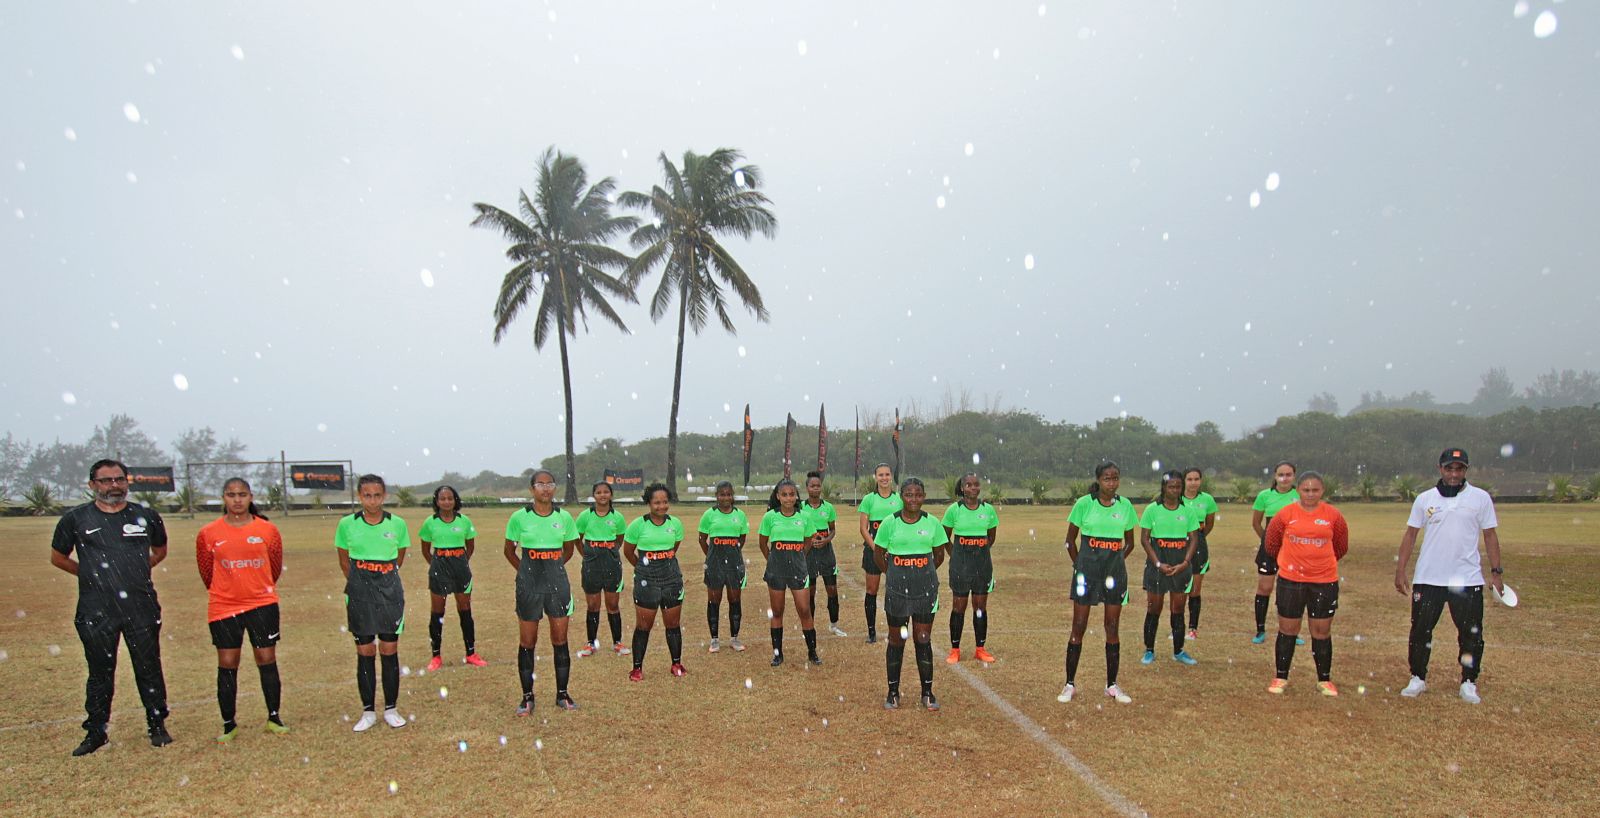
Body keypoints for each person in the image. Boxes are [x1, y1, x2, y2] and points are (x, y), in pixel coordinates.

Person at [50, 459, 173, 755]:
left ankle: (157, 725)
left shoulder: (145, 516)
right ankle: (96, 731)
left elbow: (160, 550)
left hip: (141, 607)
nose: (113, 486)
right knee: (100, 672)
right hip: (96, 610)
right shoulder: (76, 519)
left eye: (119, 479)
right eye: (105, 481)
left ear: (127, 482)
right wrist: (92, 574)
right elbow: (58, 557)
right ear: (92, 485)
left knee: (148, 667)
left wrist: (141, 569)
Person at [1395, 448, 1505, 704]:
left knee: (1471, 634)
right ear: (1440, 468)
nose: (1454, 474)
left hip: (1467, 579)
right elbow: (1411, 534)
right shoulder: (1424, 499)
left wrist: (1496, 573)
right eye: (1449, 468)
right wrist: (1401, 569)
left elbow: (1490, 535)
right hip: (1429, 577)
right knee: (1421, 630)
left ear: (1466, 470)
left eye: (1459, 469)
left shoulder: (1480, 498)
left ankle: (1468, 681)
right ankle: (1418, 677)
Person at [195, 477, 288, 742]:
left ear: (251, 497)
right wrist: (229, 590)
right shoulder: (209, 532)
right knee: (227, 663)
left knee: (266, 660)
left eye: (242, 494)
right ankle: (229, 723)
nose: (237, 500)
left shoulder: (267, 530)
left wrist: (257, 587)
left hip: (262, 604)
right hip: (224, 607)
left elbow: (274, 567)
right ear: (223, 498)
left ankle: (274, 717)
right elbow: (206, 571)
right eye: (231, 495)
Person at [1057, 462, 1137, 705]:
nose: (1111, 483)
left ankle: (1111, 685)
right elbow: (1070, 541)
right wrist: (1080, 566)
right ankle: (1069, 684)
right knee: (1078, 627)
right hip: (1086, 575)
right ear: (1099, 480)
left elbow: (1130, 543)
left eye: (1115, 478)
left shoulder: (1125, 506)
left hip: (1114, 577)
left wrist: (1114, 563)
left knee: (1112, 628)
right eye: (1107, 478)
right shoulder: (1084, 504)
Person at [335, 474, 410, 732]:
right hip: (359, 591)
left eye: (377, 495)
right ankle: (368, 711)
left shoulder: (397, 524)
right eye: (367, 495)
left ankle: (391, 708)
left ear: (384, 496)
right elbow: (344, 560)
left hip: (389, 591)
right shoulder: (347, 524)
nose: (373, 500)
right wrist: (361, 584)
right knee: (365, 651)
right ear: (359, 496)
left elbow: (398, 557)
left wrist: (382, 578)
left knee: (389, 649)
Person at [1263, 471, 1349, 696]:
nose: (1310, 494)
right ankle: (1281, 676)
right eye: (1306, 490)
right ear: (1298, 490)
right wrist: (1291, 563)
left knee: (1321, 631)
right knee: (1288, 629)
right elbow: (1272, 544)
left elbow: (1341, 546)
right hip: (1291, 581)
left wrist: (1318, 564)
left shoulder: (1333, 515)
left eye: (1315, 490)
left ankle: (1324, 680)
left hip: (1324, 581)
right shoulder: (1285, 514)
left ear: (1322, 491)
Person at [503, 469, 580, 713]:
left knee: (560, 639)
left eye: (550, 484)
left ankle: (562, 694)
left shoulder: (564, 517)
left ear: (555, 488)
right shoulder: (519, 518)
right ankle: (527, 697)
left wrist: (552, 569)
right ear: (531, 489)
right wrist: (526, 571)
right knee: (528, 641)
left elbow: (568, 550)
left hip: (557, 585)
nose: (546, 488)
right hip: (529, 586)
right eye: (540, 484)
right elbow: (509, 551)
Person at [873, 477, 948, 711]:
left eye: (917, 494)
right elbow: (879, 554)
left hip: (925, 589)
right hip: (897, 589)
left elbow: (938, 555)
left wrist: (920, 573)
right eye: (908, 494)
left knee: (922, 639)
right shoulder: (889, 523)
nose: (913, 499)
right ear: (901, 496)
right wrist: (896, 573)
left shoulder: (933, 523)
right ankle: (893, 692)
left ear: (923, 497)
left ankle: (927, 692)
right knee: (896, 640)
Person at [624, 483, 689, 680]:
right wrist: (644, 569)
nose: (661, 506)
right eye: (656, 502)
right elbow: (628, 552)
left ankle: (676, 663)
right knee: (644, 626)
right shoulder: (638, 525)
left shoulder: (675, 524)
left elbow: (673, 548)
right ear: (649, 503)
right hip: (647, 581)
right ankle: (637, 668)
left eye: (664, 502)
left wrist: (663, 563)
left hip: (671, 579)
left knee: (673, 624)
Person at [419, 485, 487, 671]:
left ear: (455, 500)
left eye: (450, 498)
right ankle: (436, 656)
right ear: (437, 501)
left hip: (460, 567)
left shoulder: (464, 521)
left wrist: (461, 562)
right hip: (439, 566)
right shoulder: (430, 522)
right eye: (442, 499)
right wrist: (436, 565)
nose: (447, 502)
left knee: (465, 610)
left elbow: (470, 546)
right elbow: (425, 550)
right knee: (437, 612)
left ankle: (471, 653)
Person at [757, 479, 823, 667]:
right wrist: (772, 559)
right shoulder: (770, 517)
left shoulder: (804, 517)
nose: (788, 498)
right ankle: (777, 654)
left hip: (798, 569)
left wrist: (800, 556)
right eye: (784, 494)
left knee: (804, 610)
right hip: (776, 569)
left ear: (796, 496)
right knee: (777, 611)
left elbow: (809, 539)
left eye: (791, 494)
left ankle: (812, 652)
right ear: (778, 496)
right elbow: (762, 543)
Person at [1139, 471, 1199, 666]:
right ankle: (1149, 650)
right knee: (1154, 608)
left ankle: (1179, 651)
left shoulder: (1188, 511)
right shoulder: (1152, 510)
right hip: (1158, 565)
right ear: (1164, 487)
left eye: (1178, 486)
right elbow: (1145, 539)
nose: (1175, 490)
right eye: (1171, 486)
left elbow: (1194, 539)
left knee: (1178, 609)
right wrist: (1157, 563)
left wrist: (1185, 563)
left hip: (1180, 566)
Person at [941, 473, 999, 665]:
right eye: (969, 485)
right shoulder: (954, 510)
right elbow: (945, 537)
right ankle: (955, 649)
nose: (973, 488)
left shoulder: (988, 510)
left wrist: (979, 552)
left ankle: (980, 648)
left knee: (980, 607)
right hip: (960, 564)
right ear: (962, 488)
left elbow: (991, 537)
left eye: (976, 485)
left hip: (982, 564)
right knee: (959, 606)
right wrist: (956, 555)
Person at [575, 481, 630, 657]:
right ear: (594, 495)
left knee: (613, 604)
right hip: (592, 562)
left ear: (611, 495)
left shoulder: (618, 517)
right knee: (593, 605)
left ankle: (618, 643)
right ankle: (591, 643)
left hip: (611, 562)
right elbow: (577, 538)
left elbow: (620, 538)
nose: (602, 495)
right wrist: (587, 554)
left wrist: (611, 551)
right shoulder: (585, 516)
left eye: (606, 492)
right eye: (598, 492)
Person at [1250, 461, 1300, 645]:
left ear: (1294, 476)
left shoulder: (1299, 495)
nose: (1284, 478)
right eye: (1281, 474)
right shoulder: (1264, 496)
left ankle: (1291, 631)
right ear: (1274, 476)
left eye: (1288, 475)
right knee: (1264, 588)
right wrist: (1268, 541)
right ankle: (1260, 630)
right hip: (1269, 551)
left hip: (1294, 550)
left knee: (1292, 591)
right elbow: (1256, 522)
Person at [698, 481, 750, 653]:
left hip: (734, 564)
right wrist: (713, 556)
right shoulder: (709, 515)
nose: (725, 497)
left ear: (732, 495)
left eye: (728, 494)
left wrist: (731, 553)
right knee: (714, 600)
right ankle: (714, 639)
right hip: (715, 564)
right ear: (717, 496)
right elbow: (702, 539)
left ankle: (734, 638)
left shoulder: (740, 515)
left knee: (735, 600)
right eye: (722, 494)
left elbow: (741, 539)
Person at [858, 463, 903, 644]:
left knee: (896, 591)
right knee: (872, 591)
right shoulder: (869, 499)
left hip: (895, 553)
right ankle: (871, 632)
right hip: (873, 552)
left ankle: (897, 630)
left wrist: (891, 549)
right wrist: (877, 549)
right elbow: (863, 528)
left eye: (887, 474)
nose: (884, 478)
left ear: (891, 476)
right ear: (875, 477)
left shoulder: (899, 499)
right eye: (880, 475)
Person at [802, 471, 847, 637]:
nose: (815, 488)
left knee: (832, 590)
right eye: (812, 486)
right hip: (808, 553)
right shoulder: (800, 507)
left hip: (826, 553)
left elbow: (832, 529)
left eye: (818, 485)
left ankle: (834, 625)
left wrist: (826, 540)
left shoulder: (828, 507)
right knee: (810, 591)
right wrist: (809, 541)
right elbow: (798, 528)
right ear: (807, 488)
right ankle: (810, 625)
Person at [1180, 467, 1218, 640]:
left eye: (1196, 479)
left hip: (1199, 546)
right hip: (1178, 545)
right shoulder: (1176, 498)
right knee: (1178, 590)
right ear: (1183, 481)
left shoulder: (1207, 499)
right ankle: (1177, 628)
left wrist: (1197, 540)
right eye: (1189, 479)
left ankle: (1192, 628)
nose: (1193, 482)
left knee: (1194, 590)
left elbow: (1209, 524)